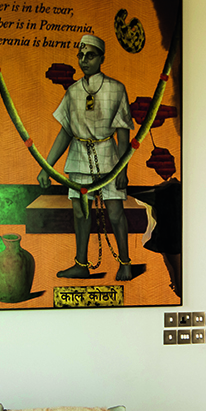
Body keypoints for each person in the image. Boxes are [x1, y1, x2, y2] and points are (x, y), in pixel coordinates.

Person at [38, 34, 135, 280]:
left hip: (109, 158)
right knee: (81, 213)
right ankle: (81, 263)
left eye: (90, 56)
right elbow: (65, 133)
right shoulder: (72, 92)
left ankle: (125, 263)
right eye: (80, 56)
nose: (84, 60)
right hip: (79, 157)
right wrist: (47, 167)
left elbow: (123, 136)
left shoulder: (116, 89)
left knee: (114, 212)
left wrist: (123, 170)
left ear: (102, 58)